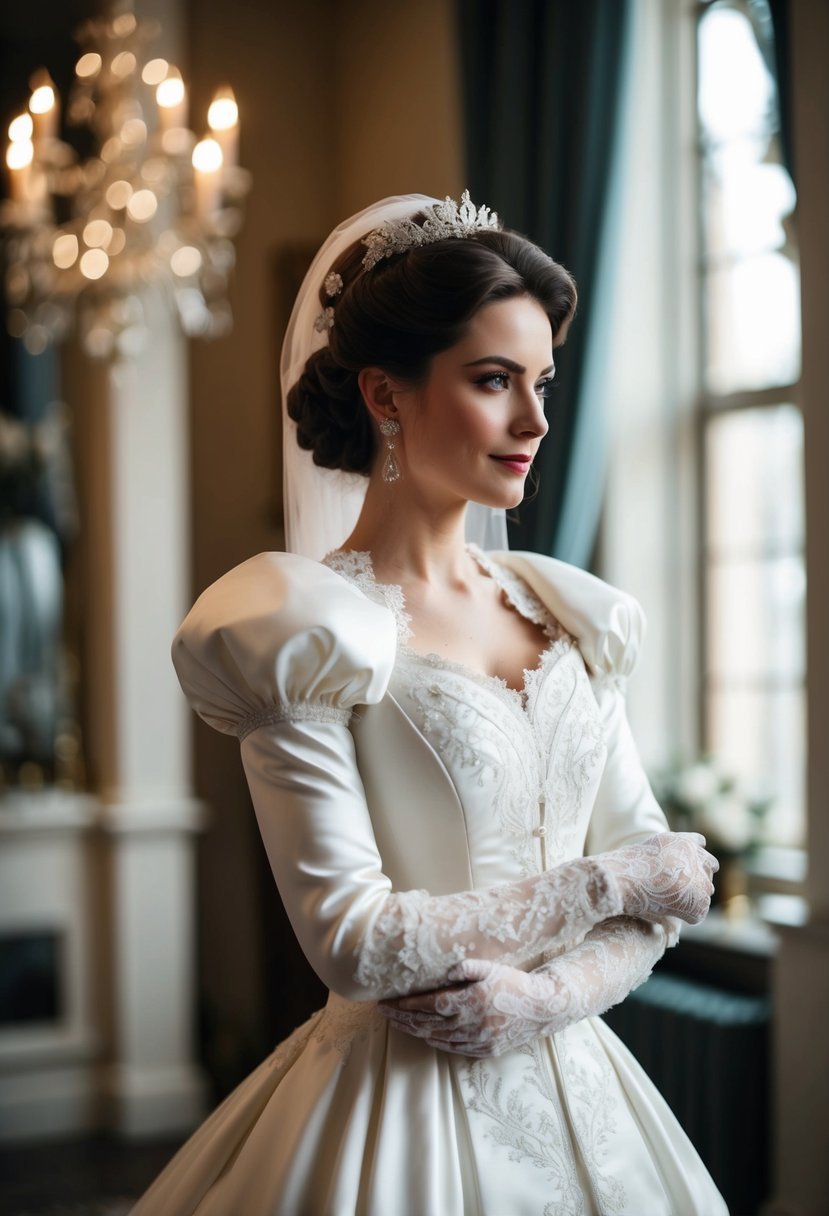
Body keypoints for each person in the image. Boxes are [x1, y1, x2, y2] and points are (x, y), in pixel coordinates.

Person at [132, 193, 727, 1215]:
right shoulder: (304, 630)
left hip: (589, 1093)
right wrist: (607, 879)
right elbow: (354, 941)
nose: (535, 420)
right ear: (386, 395)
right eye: (494, 381)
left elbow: (660, 895)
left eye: (542, 382)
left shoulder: (569, 612)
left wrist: (544, 999)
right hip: (396, 1119)